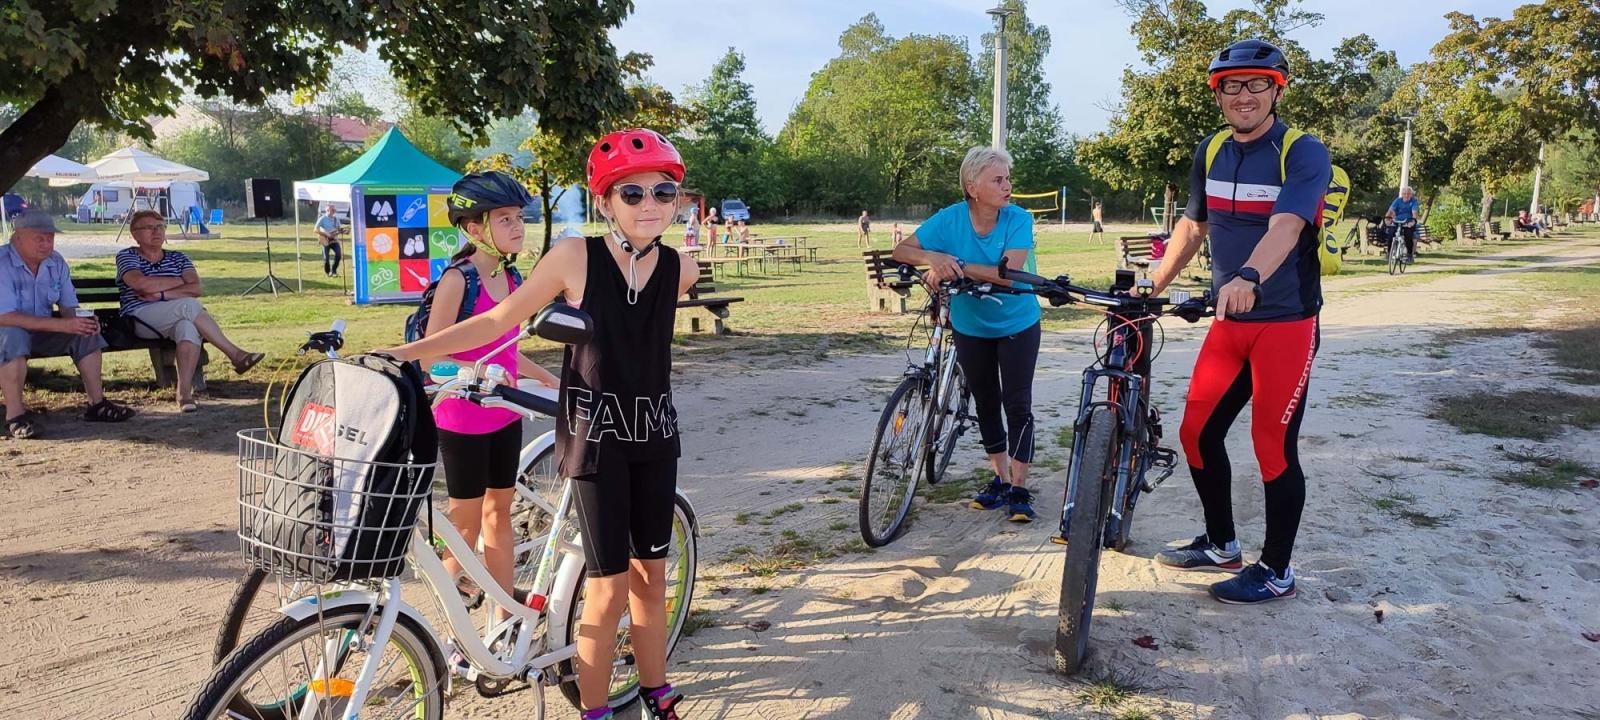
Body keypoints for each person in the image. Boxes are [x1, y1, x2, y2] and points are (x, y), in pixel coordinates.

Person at [381, 128, 699, 720]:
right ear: (604, 202)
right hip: (596, 441)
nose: (650, 204)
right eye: (632, 194)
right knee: (605, 589)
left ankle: (658, 693)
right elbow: (498, 321)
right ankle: (595, 711)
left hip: (656, 437)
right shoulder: (574, 257)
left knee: (651, 581)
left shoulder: (679, 268)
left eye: (663, 191)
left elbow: (658, 309)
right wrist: (402, 357)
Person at [1147, 39, 1331, 605]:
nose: (1243, 95)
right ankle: (1222, 543)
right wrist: (1148, 288)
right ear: (1218, 93)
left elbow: (1286, 229)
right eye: (1232, 85)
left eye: (1256, 84)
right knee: (1197, 433)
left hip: (1285, 322)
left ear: (1276, 89)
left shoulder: (1302, 152)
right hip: (1230, 318)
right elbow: (1190, 229)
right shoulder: (1210, 150)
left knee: (1271, 443)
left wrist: (1249, 276)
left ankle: (1276, 570)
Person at [423, 172, 560, 629]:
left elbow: (507, 349)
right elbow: (431, 353)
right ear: (475, 228)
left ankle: (503, 617)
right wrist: (469, 374)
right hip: (461, 415)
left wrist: (551, 380)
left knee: (499, 514)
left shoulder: (512, 275)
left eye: (519, 218)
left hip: (503, 411)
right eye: (505, 219)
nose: (518, 227)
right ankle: (445, 629)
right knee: (464, 527)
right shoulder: (457, 281)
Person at [891, 146, 1041, 523]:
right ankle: (1000, 480)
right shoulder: (950, 219)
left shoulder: (1018, 219)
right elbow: (901, 249)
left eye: (1007, 179)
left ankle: (1020, 488)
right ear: (973, 187)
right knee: (987, 402)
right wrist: (932, 258)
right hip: (970, 325)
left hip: (1017, 322)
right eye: (998, 179)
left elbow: (1009, 272)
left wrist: (955, 264)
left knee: (1017, 404)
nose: (1007, 186)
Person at [0, 210, 136, 438]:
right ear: (17, 238)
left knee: (85, 331)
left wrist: (80, 319)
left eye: (50, 238)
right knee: (14, 335)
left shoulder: (56, 262)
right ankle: (15, 416)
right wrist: (64, 325)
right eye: (39, 238)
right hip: (5, 332)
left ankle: (97, 404)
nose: (46, 244)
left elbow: (68, 305)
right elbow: (5, 316)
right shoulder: (1, 263)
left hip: (41, 331)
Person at [115, 210, 264, 411]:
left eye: (160, 226)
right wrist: (177, 282)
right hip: (140, 317)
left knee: (187, 327)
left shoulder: (178, 257)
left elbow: (196, 288)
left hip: (173, 313)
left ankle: (184, 395)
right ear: (135, 234)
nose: (157, 232)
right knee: (189, 305)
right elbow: (140, 284)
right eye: (150, 227)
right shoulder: (127, 256)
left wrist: (160, 294)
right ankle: (235, 355)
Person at [1384, 186, 1421, 262]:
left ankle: (1410, 255)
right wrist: (1387, 219)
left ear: (1411, 194)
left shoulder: (1413, 202)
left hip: (1408, 222)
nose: (1406, 195)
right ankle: (1389, 253)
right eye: (1404, 193)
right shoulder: (1397, 201)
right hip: (1397, 221)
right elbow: (1390, 210)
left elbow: (1414, 214)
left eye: (1408, 194)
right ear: (1402, 194)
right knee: (1391, 234)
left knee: (1408, 236)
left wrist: (1412, 222)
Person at [314, 204, 346, 277]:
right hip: (325, 240)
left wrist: (343, 231)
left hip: (334, 240)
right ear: (328, 210)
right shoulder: (322, 218)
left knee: (338, 255)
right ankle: (328, 272)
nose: (335, 211)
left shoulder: (336, 219)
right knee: (326, 258)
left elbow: (338, 229)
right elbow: (315, 229)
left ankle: (334, 270)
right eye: (333, 210)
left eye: (335, 210)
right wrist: (326, 234)